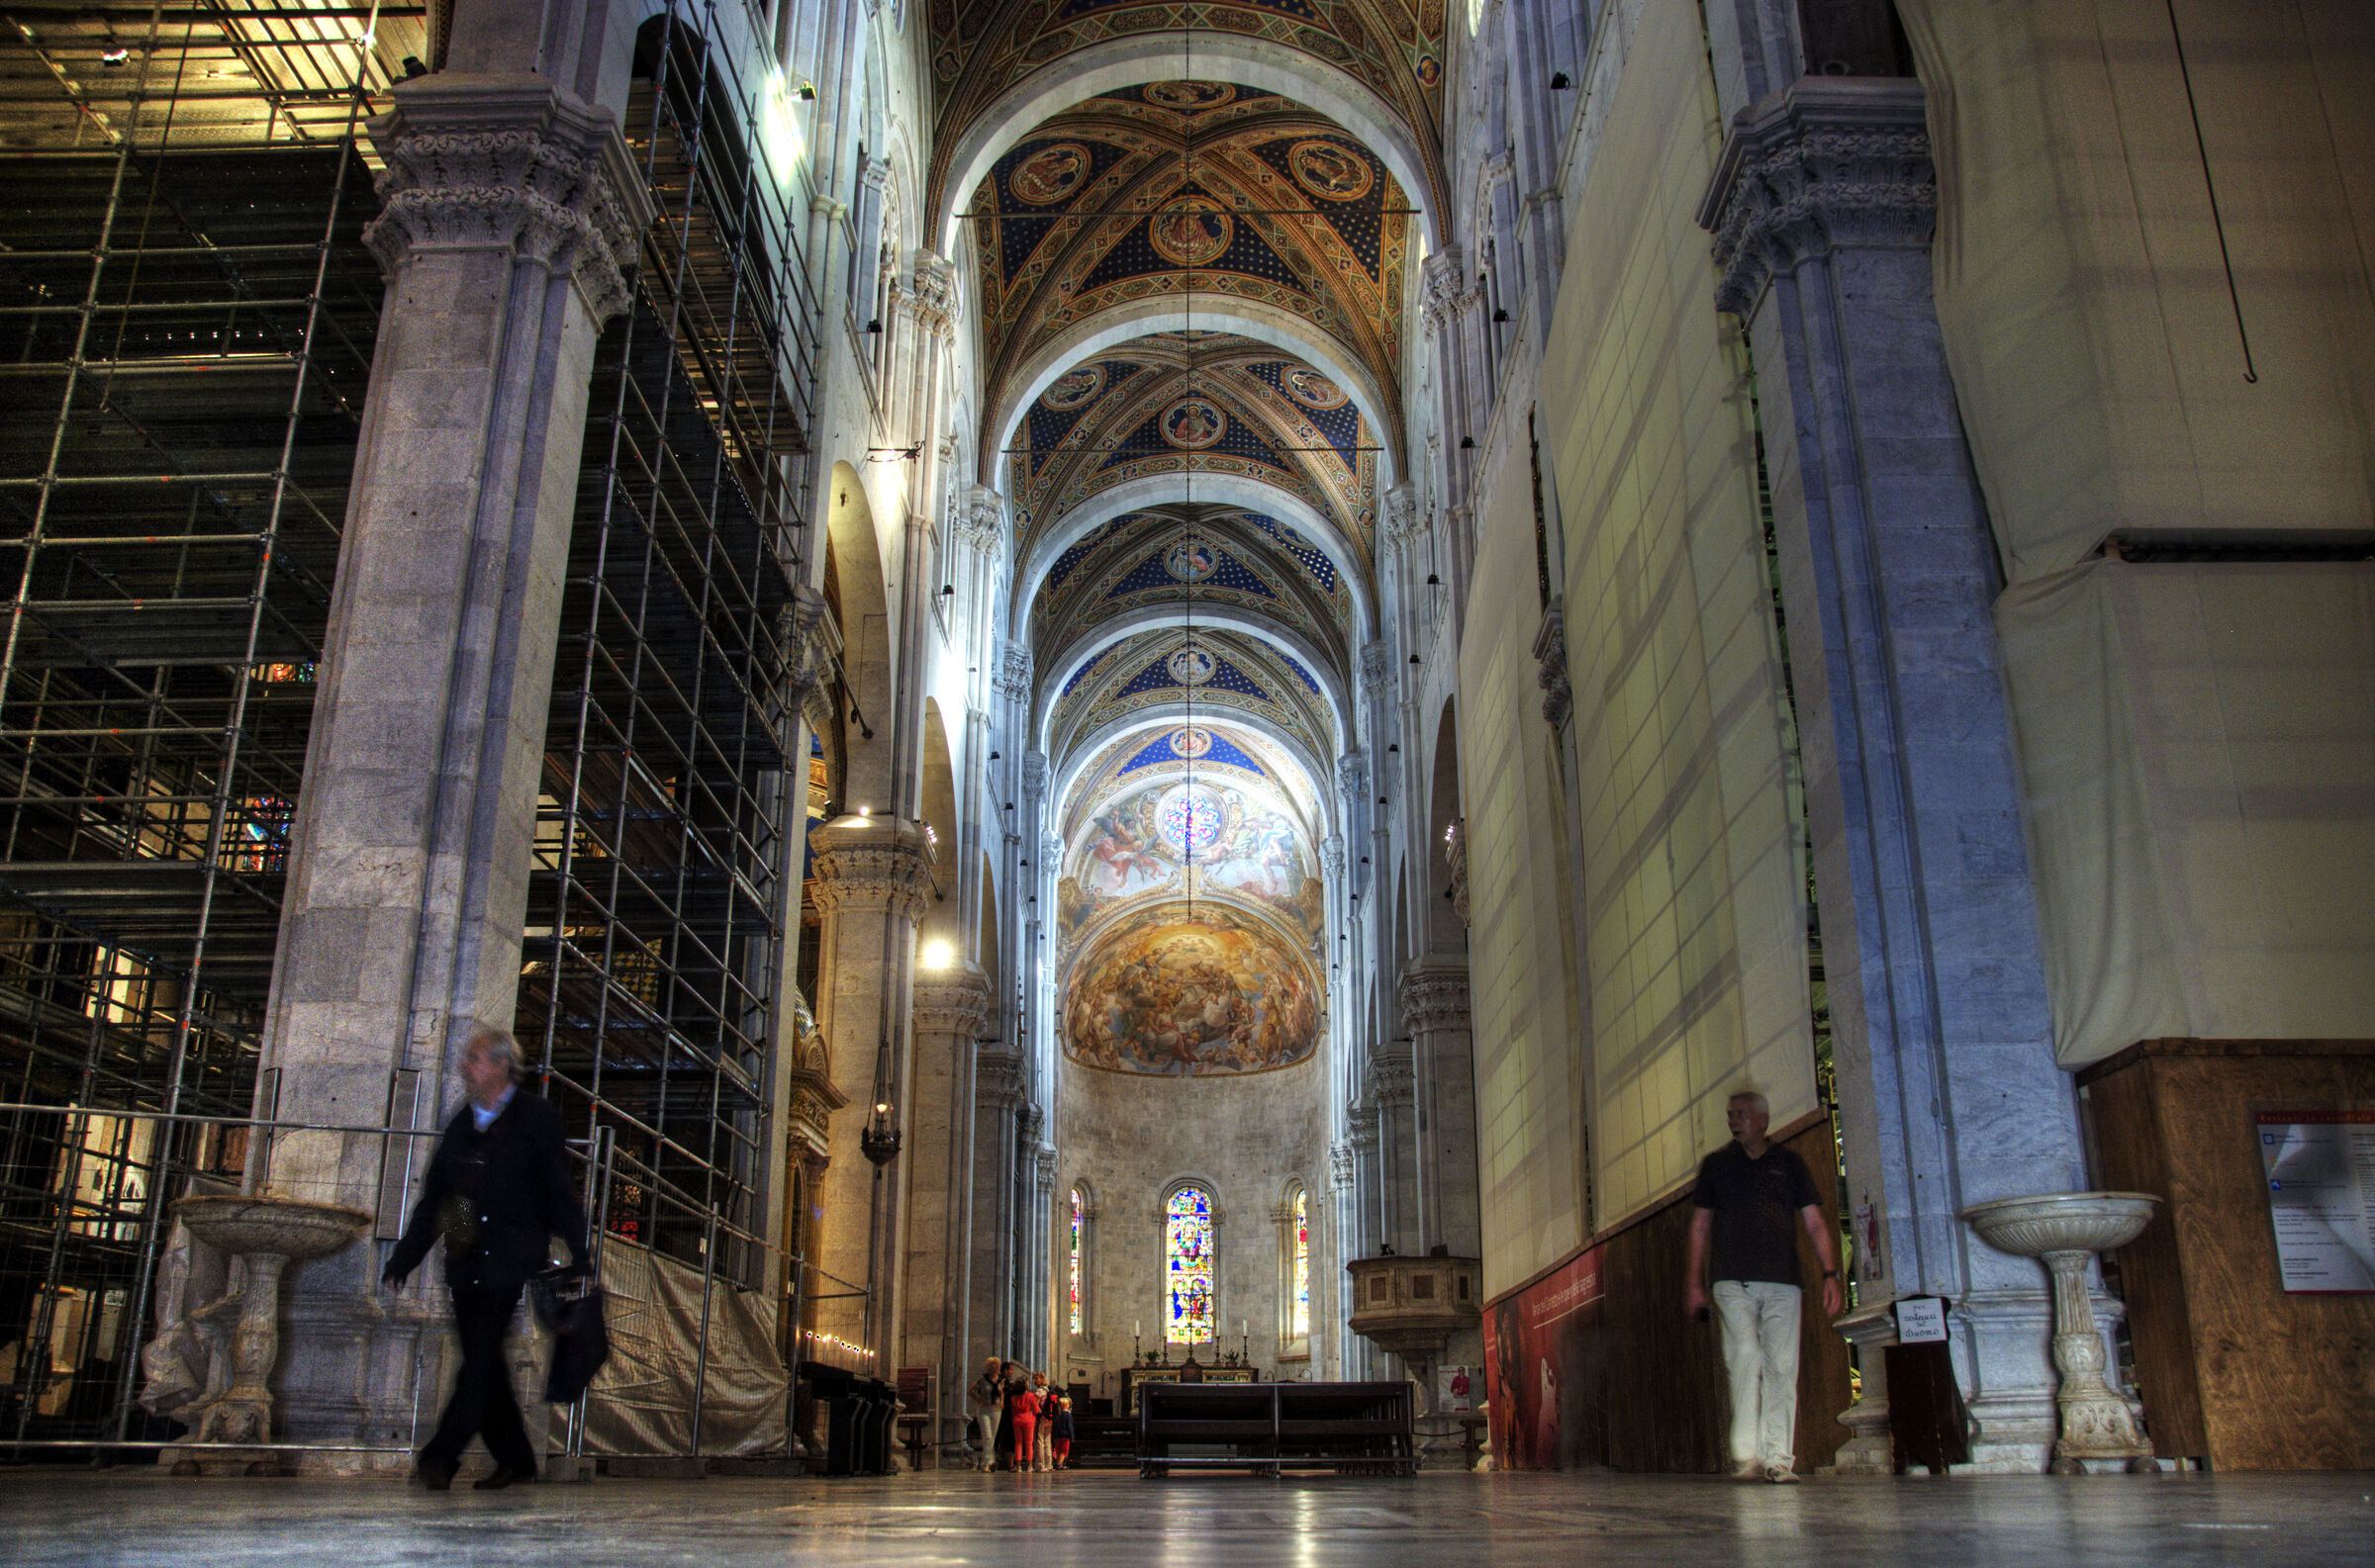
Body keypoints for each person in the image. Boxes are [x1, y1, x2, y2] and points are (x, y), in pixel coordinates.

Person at [383, 1027, 591, 1491]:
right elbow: (439, 1197)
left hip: (509, 1254)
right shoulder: (462, 1122)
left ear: (501, 1066)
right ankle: (516, 1458)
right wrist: (405, 1258)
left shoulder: (535, 1118)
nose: (464, 1065)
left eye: (474, 1058)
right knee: (485, 1360)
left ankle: (440, 1457)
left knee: (477, 1362)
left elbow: (559, 1193)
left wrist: (581, 1255)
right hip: (464, 1255)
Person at [1682, 1089, 1843, 1484]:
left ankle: (1777, 1459)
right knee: (1744, 1358)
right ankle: (1746, 1451)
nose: (1732, 1120)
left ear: (1762, 1120)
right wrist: (1693, 1283)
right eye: (1729, 1114)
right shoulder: (1716, 1165)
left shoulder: (1789, 1164)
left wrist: (1830, 1273)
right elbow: (1700, 1226)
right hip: (1730, 1281)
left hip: (1784, 1282)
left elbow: (1815, 1222)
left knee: (1781, 1367)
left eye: (1740, 1114)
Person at [966, 1356, 1004, 1471]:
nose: (995, 1368)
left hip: (996, 1410)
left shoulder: (1000, 1380)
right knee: (987, 1436)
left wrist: (1002, 1402)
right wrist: (979, 1400)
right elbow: (970, 1391)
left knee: (992, 1437)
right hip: (984, 1410)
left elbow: (1001, 1392)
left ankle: (985, 1463)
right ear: (989, 1367)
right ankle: (989, 1461)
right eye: (992, 1366)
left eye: (996, 1366)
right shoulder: (982, 1379)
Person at [1004, 1363, 1037, 1474]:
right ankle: (1029, 1465)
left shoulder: (1013, 1398)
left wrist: (1015, 1419)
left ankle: (1017, 1465)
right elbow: (1036, 1410)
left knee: (1018, 1443)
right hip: (1028, 1420)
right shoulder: (1031, 1396)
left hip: (1017, 1421)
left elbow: (1013, 1412)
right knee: (1028, 1443)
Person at [1030, 1371, 1056, 1472]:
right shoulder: (1048, 1390)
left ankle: (1040, 1465)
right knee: (1047, 1441)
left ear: (1041, 1379)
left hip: (1041, 1418)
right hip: (1049, 1418)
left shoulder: (1039, 1391)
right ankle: (1049, 1464)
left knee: (1039, 1441)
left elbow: (1035, 1406)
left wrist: (1036, 1415)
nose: (1035, 1381)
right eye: (1034, 1379)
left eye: (1036, 1379)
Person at [1050, 1394, 1074, 1470]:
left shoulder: (1058, 1414)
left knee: (1058, 1450)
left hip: (1058, 1435)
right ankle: (1059, 1464)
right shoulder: (1068, 1414)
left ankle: (1060, 1462)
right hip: (1065, 1435)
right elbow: (1069, 1426)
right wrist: (1072, 1436)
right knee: (1064, 1451)